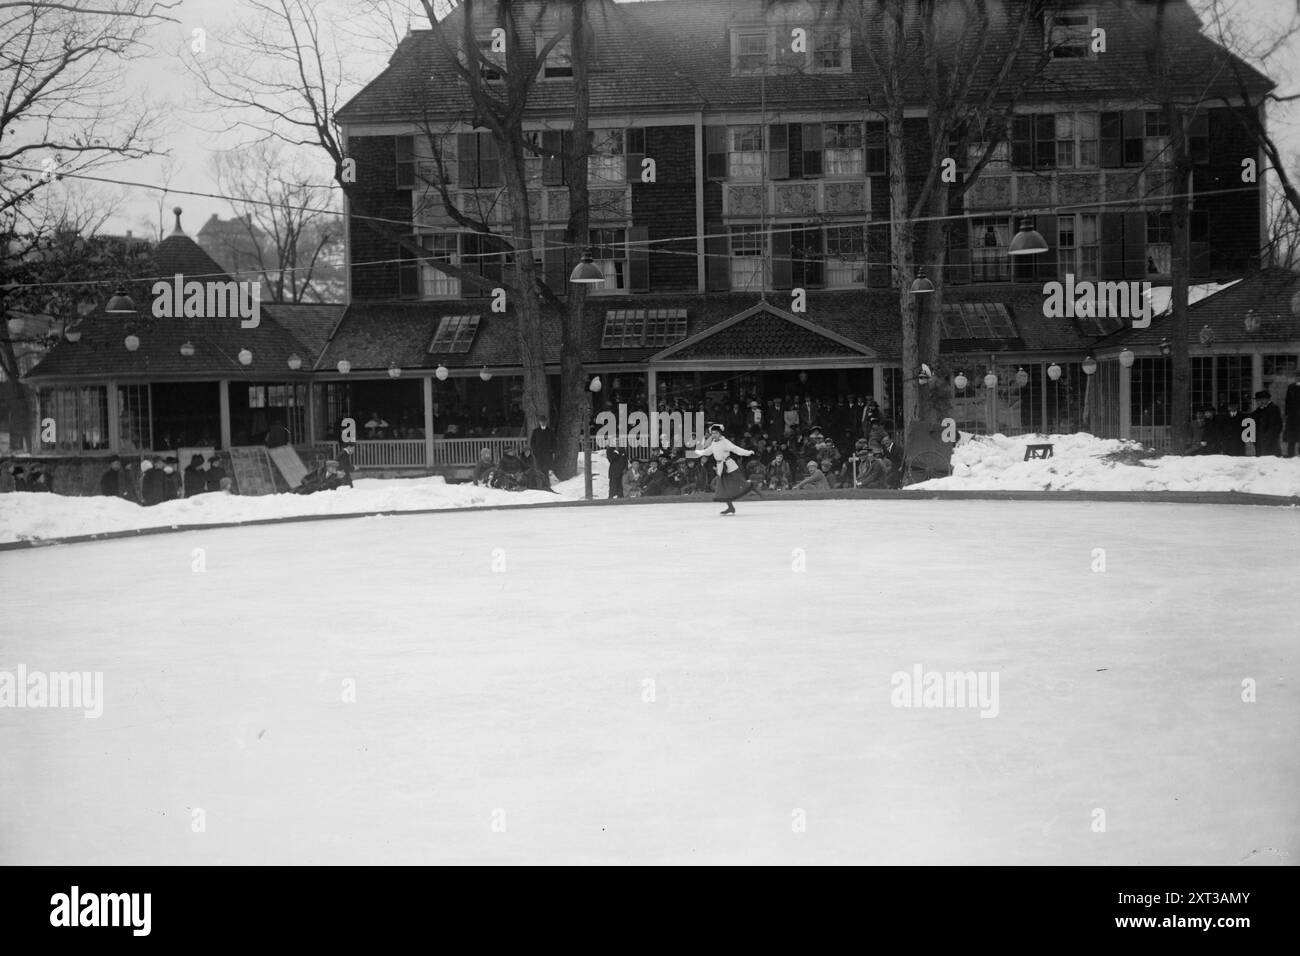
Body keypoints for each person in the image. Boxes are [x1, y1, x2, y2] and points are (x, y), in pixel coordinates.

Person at [694, 423, 762, 515]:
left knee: (741, 482)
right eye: (712, 433)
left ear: (720, 434)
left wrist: (748, 452)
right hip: (721, 468)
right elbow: (709, 451)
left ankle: (753, 488)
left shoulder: (725, 442)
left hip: (730, 466)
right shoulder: (713, 443)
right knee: (722, 489)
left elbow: (736, 449)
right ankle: (731, 507)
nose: (714, 435)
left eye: (716, 433)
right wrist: (701, 452)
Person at [1250, 390, 1282, 457]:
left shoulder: (1274, 409)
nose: (1259, 402)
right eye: (1257, 401)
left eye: (1261, 400)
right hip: (1260, 445)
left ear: (1267, 399)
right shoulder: (1257, 412)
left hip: (1271, 445)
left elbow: (1276, 428)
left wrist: (1267, 439)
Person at [530, 416, 555, 481]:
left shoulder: (550, 431)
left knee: (546, 469)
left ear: (546, 422)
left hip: (547, 453)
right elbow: (532, 442)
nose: (543, 423)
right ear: (539, 422)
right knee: (539, 468)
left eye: (544, 421)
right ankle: (540, 483)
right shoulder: (536, 431)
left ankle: (547, 483)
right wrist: (534, 451)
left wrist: (552, 449)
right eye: (541, 421)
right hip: (538, 453)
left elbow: (554, 441)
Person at [1284, 373, 1300, 458]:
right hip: (1292, 416)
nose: (1298, 378)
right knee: (1291, 437)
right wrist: (1287, 413)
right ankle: (1290, 454)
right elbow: (1287, 401)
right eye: (1297, 376)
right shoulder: (1291, 387)